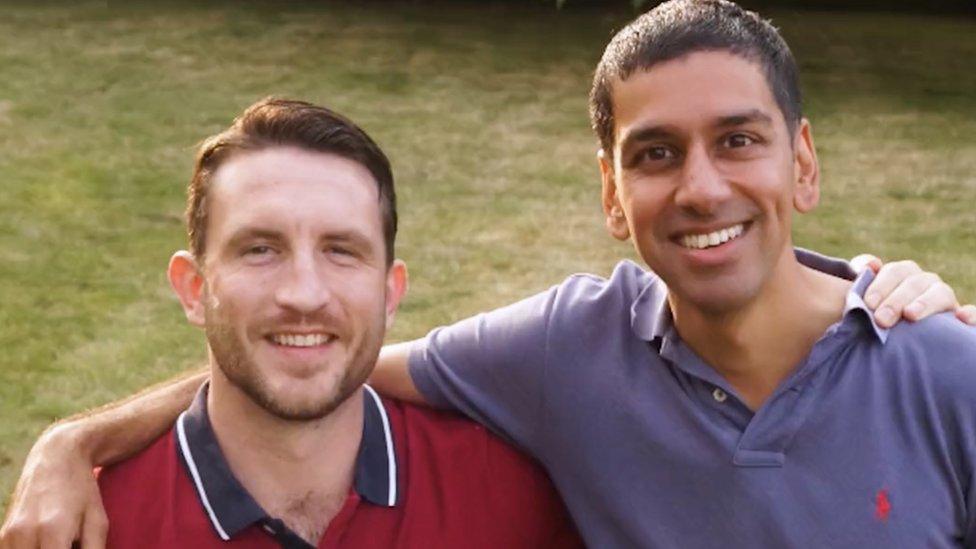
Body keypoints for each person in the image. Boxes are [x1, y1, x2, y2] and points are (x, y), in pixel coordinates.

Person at [2, 1, 975, 548]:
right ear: (610, 193)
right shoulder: (567, 353)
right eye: (654, 154)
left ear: (801, 163)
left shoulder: (942, 370)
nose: (701, 187)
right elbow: (314, 357)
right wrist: (75, 439)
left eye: (738, 141)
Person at [63, 98, 583, 548]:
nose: (304, 294)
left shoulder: (506, 496)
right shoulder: (93, 521)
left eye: (341, 250)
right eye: (261, 249)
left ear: (389, 292)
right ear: (194, 288)